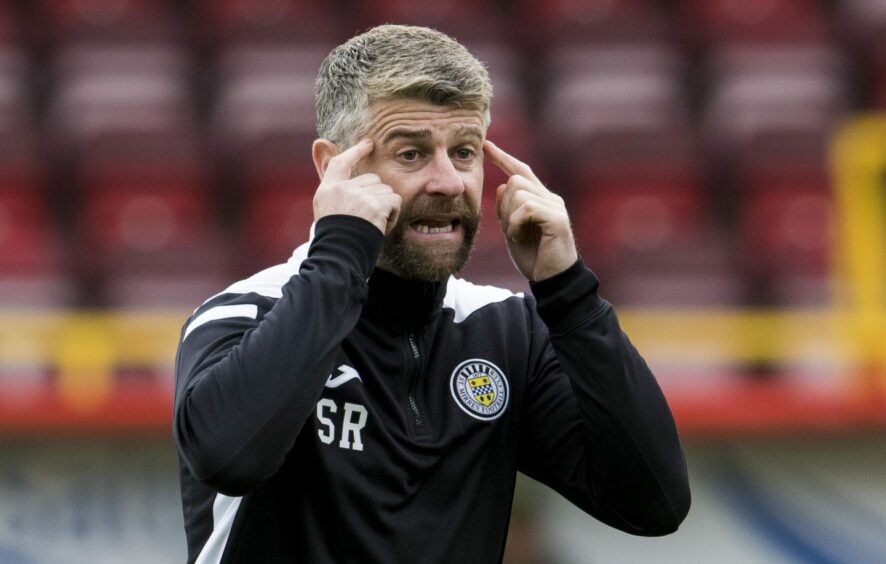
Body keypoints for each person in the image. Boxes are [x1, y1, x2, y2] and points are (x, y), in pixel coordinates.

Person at [172, 24, 690, 564]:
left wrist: (569, 295)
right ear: (332, 168)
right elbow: (229, 458)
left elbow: (654, 504)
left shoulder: (507, 331)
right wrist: (340, 251)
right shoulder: (245, 313)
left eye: (464, 153)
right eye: (412, 154)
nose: (448, 182)